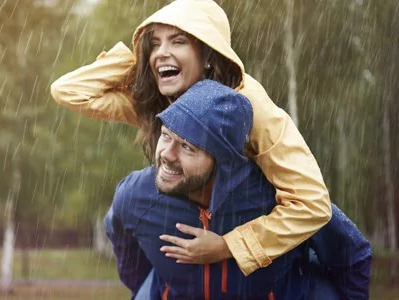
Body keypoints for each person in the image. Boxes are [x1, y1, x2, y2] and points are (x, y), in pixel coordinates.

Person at [51, 0, 332, 276]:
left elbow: (312, 205)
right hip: (186, 242)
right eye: (155, 43)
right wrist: (141, 62)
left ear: (209, 54)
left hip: (261, 261)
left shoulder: (251, 107)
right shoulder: (160, 101)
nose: (161, 52)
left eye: (178, 41)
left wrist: (228, 246)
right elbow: (69, 91)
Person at [105, 79, 371, 300]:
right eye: (166, 136)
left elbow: (352, 254)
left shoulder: (280, 198)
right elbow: (128, 256)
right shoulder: (136, 195)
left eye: (188, 147)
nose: (167, 155)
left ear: (223, 161)